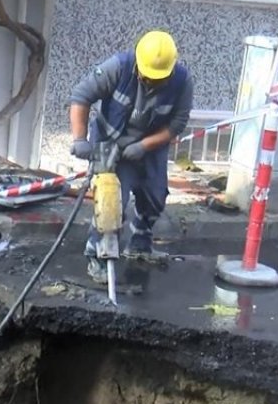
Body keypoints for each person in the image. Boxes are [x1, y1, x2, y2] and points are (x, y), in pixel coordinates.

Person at [68, 30, 194, 278]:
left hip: (150, 146)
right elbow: (81, 97)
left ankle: (140, 243)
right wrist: (80, 139)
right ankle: (98, 255)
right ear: (138, 63)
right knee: (112, 202)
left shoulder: (181, 81)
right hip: (110, 143)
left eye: (157, 79)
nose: (151, 82)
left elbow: (177, 123)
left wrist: (144, 146)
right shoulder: (119, 67)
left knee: (155, 196)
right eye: (147, 77)